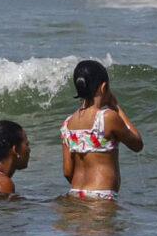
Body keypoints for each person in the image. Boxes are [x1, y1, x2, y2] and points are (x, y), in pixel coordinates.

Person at [60, 59, 142, 200]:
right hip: (101, 195)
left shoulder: (67, 124)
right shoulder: (107, 118)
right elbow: (137, 144)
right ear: (104, 87)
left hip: (75, 194)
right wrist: (116, 106)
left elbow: (68, 172)